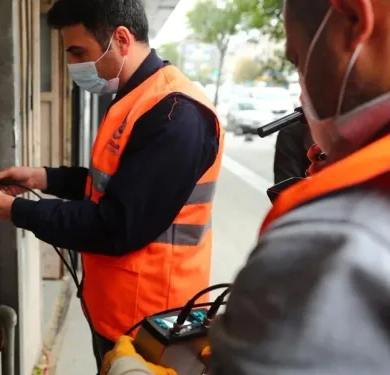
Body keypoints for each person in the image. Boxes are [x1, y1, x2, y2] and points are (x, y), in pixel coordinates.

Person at [100, 0, 390, 373]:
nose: (301, 94)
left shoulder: (332, 241)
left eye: (298, 60)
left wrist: (129, 370)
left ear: (354, 18)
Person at [0, 0, 224, 370]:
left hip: (155, 329)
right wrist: (42, 177)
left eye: (80, 52)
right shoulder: (135, 99)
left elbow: (116, 224)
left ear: (121, 40)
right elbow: (112, 186)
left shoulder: (175, 115)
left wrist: (8, 209)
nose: (73, 65)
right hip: (119, 315)